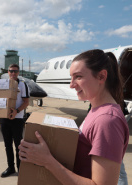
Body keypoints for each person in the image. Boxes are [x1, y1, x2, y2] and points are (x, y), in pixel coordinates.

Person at [19, 49, 129, 184]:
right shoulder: (96, 111)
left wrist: (47, 161)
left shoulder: (107, 120)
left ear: (101, 76)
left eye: (78, 77)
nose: (71, 85)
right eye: (71, 77)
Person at [0, 64, 30, 178]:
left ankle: (21, 169)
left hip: (17, 119)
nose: (13, 73)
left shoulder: (22, 85)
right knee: (7, 145)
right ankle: (11, 168)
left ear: (18, 72)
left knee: (18, 145)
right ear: (8, 72)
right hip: (4, 118)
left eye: (15, 71)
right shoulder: (3, 84)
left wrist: (16, 111)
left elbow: (26, 102)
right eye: (11, 71)